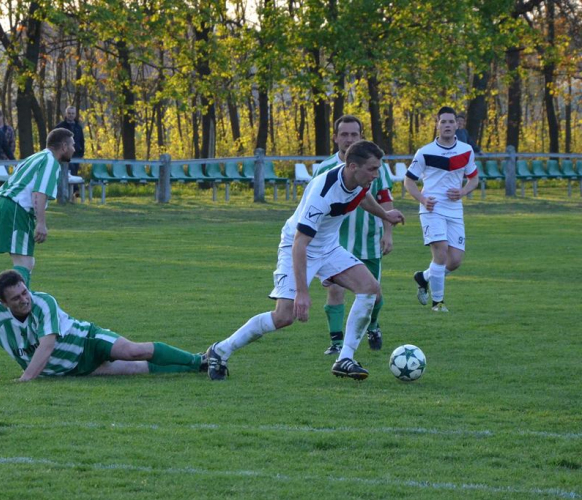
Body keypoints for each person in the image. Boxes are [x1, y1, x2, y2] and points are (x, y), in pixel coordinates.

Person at [205, 141, 405, 381]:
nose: (376, 174)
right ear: (352, 166)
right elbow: (300, 243)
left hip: (328, 247)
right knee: (284, 316)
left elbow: (363, 198)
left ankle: (344, 358)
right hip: (298, 247)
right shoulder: (323, 192)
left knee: (370, 288)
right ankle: (220, 350)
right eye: (372, 169)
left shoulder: (359, 181)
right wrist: (302, 292)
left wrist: (385, 214)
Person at [0, 270, 207, 381]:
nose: (24, 299)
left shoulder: (44, 302)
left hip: (86, 343)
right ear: (3, 303)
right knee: (136, 369)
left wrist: (26, 378)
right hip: (70, 370)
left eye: (25, 292)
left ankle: (200, 361)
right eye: (16, 298)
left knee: (134, 352)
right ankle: (194, 368)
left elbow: (48, 344)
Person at [314, 115, 394, 355]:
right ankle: (337, 343)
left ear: (361, 136)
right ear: (336, 137)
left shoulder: (375, 166)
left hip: (368, 240)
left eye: (354, 134)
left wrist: (388, 232)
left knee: (374, 291)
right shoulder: (324, 168)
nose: (349, 139)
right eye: (344, 134)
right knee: (335, 289)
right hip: (335, 242)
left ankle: (373, 326)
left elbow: (384, 199)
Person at [404, 106, 480, 312]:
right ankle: (438, 303)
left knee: (454, 261)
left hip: (454, 210)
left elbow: (474, 179)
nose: (447, 125)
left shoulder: (466, 150)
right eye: (443, 121)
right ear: (437, 124)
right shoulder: (425, 152)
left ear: (457, 124)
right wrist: (422, 198)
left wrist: (462, 192)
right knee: (441, 252)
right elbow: (408, 181)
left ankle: (423, 277)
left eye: (451, 121)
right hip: (432, 208)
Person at [0, 128, 74, 288]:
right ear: (64, 146)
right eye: (72, 145)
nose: (74, 149)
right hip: (16, 208)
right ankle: (18, 305)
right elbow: (39, 193)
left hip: (4, 204)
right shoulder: (51, 162)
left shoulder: (36, 157)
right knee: (25, 262)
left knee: (25, 261)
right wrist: (41, 223)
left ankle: (18, 303)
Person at [55, 106, 84, 194]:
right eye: (69, 113)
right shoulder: (60, 127)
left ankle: (73, 193)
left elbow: (82, 140)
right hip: (64, 154)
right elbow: (55, 140)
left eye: (72, 113)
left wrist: (82, 152)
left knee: (74, 172)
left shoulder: (78, 127)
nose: (71, 115)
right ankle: (72, 192)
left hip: (77, 154)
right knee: (67, 173)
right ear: (66, 114)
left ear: (75, 114)